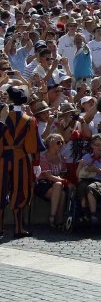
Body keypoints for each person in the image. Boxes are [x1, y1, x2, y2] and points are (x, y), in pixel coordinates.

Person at [0, 86, 45, 237]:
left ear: (11, 99)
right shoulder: (29, 120)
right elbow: (33, 147)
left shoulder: (2, 116)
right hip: (20, 158)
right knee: (19, 192)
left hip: (2, 158)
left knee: (0, 191)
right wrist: (36, 164)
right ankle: (18, 228)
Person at [76, 133, 101, 225]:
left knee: (91, 188)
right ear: (92, 145)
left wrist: (96, 170)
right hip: (87, 180)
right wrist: (80, 165)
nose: (100, 147)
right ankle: (84, 212)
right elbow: (78, 175)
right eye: (97, 145)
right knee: (81, 186)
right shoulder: (86, 157)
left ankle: (93, 215)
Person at [35, 133, 69, 228]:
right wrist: (65, 182)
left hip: (55, 184)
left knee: (62, 192)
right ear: (50, 143)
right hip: (43, 183)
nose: (61, 144)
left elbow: (62, 174)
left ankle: (57, 221)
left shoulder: (62, 158)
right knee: (59, 186)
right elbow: (48, 176)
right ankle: (54, 217)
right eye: (58, 142)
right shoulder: (43, 157)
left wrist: (62, 180)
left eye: (62, 142)